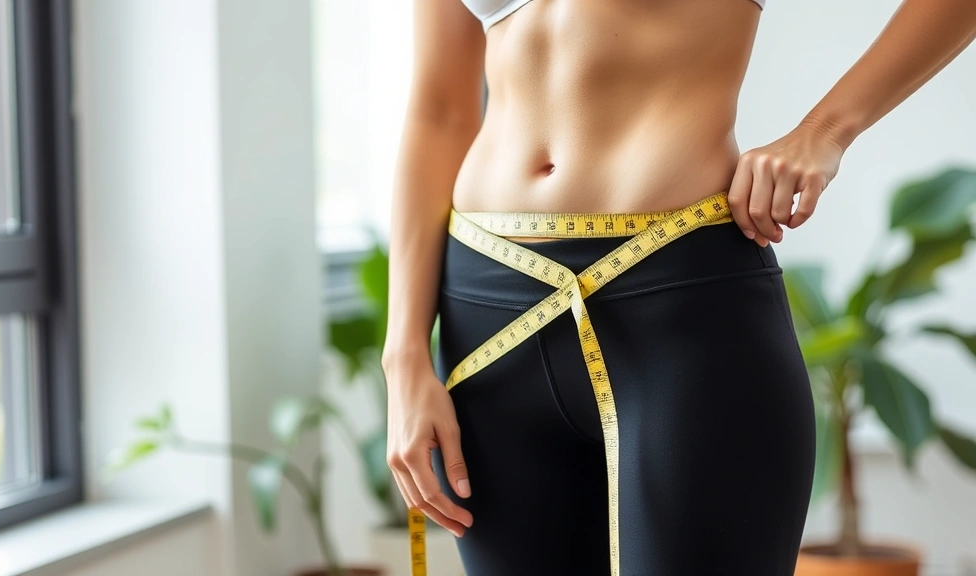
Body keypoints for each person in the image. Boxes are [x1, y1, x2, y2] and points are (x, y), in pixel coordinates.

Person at [381, 1, 976, 574]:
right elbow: (439, 110)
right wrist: (403, 355)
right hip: (484, 310)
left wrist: (825, 129)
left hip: (680, 300)